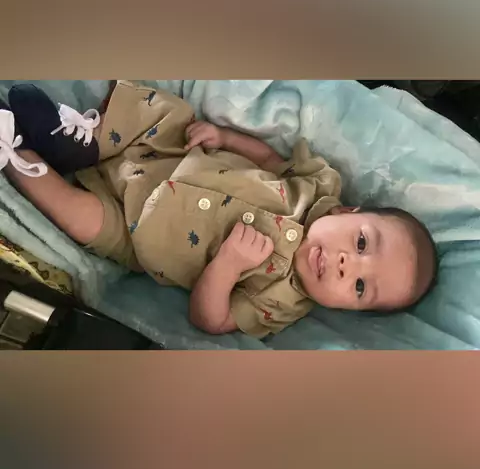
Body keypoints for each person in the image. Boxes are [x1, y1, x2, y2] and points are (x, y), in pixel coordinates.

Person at [0, 81, 437, 339]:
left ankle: (16, 155)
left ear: (347, 310)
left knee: (77, 217)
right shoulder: (319, 187)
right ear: (347, 213)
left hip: (138, 235)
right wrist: (225, 139)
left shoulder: (281, 303)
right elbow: (269, 159)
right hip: (169, 154)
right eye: (361, 243)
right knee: (165, 114)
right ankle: (77, 142)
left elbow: (212, 320)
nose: (346, 265)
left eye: (359, 287)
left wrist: (228, 266)